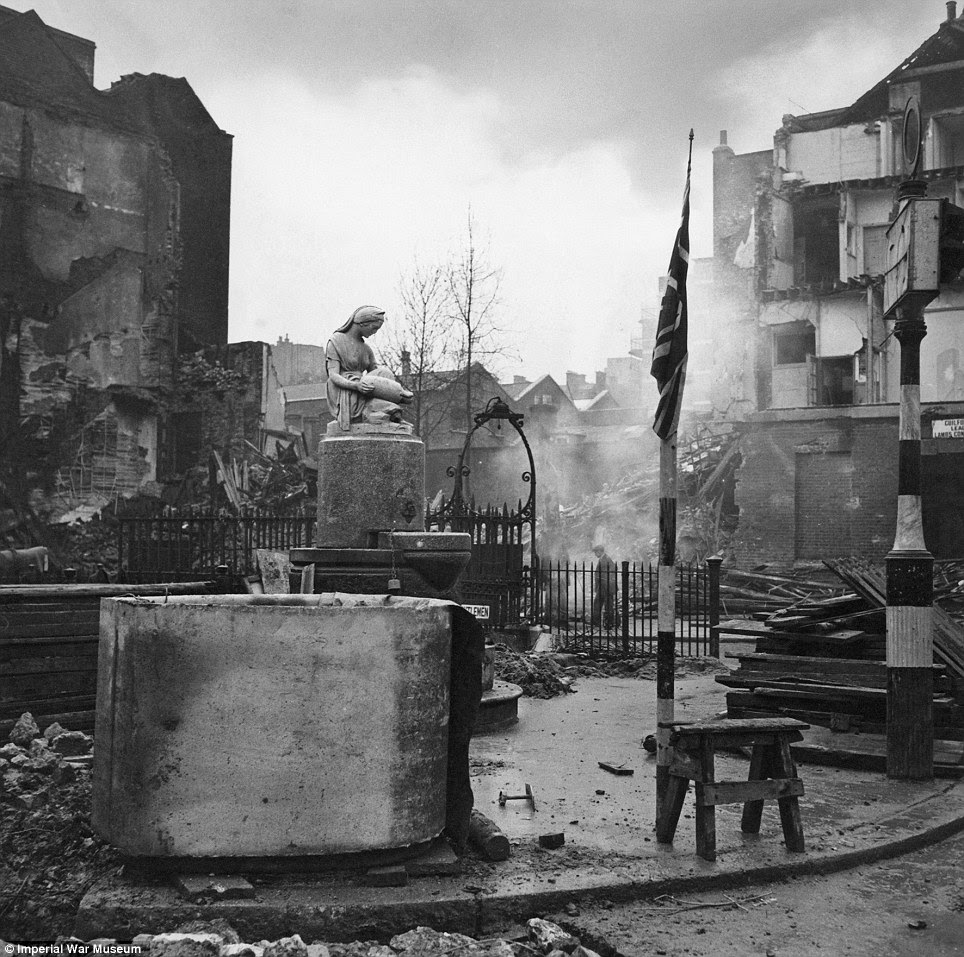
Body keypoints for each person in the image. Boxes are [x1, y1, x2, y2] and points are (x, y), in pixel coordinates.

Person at [325, 306, 413, 430]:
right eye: (374, 328)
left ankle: (397, 396)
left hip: (364, 387)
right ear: (363, 323)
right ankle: (397, 400)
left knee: (385, 372)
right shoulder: (336, 341)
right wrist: (355, 386)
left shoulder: (366, 349)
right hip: (347, 389)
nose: (375, 332)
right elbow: (333, 375)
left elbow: (377, 375)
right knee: (367, 383)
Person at [591, 542, 616, 631]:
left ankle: (608, 624)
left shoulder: (605, 560)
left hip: (606, 587)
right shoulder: (603, 559)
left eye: (596, 552)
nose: (595, 554)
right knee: (598, 604)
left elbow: (607, 575)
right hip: (603, 587)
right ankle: (599, 623)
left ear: (600, 552)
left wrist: (602, 586)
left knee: (607, 606)